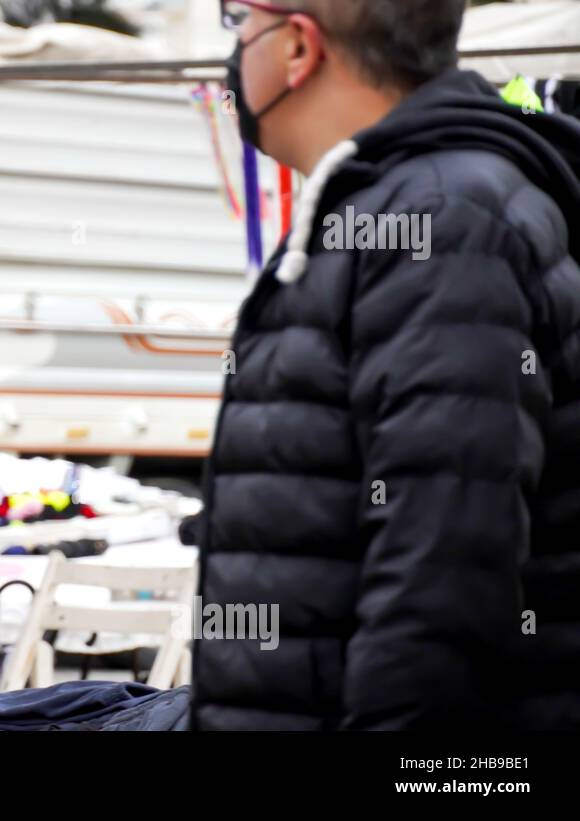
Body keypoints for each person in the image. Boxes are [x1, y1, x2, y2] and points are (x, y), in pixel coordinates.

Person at [192, 0, 580, 729]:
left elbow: (442, 583)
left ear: (298, 48)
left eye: (241, 21)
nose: (235, 48)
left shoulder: (440, 219)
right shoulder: (385, 201)